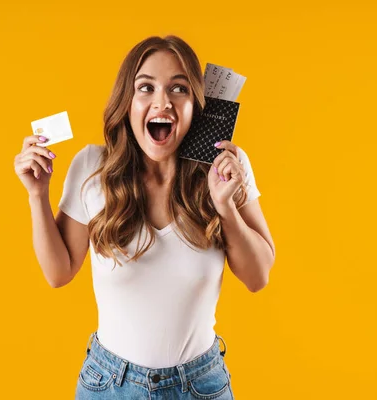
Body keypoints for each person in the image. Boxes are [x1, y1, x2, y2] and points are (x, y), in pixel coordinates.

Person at [14, 35, 276, 399]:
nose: (162, 102)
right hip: (109, 386)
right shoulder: (92, 167)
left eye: (179, 88)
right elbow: (58, 273)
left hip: (200, 386)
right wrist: (37, 195)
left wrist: (225, 206)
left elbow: (257, 276)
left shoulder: (226, 168)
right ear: (128, 101)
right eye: (146, 87)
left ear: (195, 105)